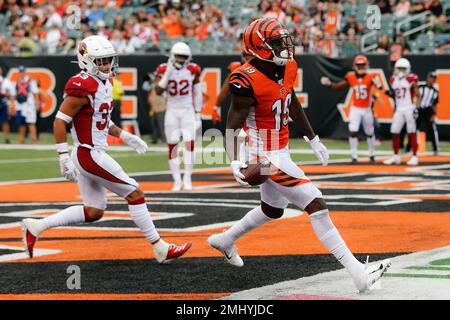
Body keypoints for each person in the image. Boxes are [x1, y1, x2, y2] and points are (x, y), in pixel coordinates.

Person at [207, 18, 391, 293]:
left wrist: (313, 138)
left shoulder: (288, 67)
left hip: (280, 149)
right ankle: (358, 273)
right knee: (316, 203)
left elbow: (292, 103)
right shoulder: (244, 79)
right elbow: (232, 124)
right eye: (277, 42)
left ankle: (225, 239)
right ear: (259, 47)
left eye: (285, 40)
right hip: (263, 153)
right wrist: (234, 158)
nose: (285, 46)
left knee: (272, 209)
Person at [20, 35, 192, 263]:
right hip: (88, 153)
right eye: (100, 61)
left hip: (92, 152)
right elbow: (60, 121)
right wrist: (62, 156)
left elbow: (101, 120)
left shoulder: (105, 83)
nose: (106, 65)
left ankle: (36, 226)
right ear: (86, 61)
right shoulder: (82, 85)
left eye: (108, 60)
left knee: (94, 211)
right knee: (135, 193)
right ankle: (160, 247)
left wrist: (125, 135)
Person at [154, 42, 203, 191]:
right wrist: (168, 73)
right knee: (172, 145)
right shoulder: (163, 69)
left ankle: (187, 178)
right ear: (172, 56)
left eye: (184, 56)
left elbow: (198, 92)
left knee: (190, 144)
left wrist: (198, 113)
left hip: (187, 110)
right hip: (172, 110)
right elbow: (157, 90)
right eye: (178, 56)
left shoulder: (193, 69)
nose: (181, 59)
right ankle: (176, 180)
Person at [321, 55, 382, 164]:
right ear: (355, 66)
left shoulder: (371, 76)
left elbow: (380, 87)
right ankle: (354, 156)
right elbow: (338, 87)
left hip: (367, 109)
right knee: (353, 131)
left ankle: (372, 155)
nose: (361, 67)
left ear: (366, 65)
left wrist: (378, 83)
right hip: (356, 108)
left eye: (362, 65)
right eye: (359, 65)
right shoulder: (350, 76)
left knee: (370, 132)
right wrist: (330, 84)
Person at [383, 58, 421, 165]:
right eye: (399, 68)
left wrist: (416, 108)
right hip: (399, 109)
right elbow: (396, 95)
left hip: (409, 108)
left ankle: (414, 156)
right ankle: (396, 156)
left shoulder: (411, 79)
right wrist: (388, 93)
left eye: (403, 69)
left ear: (408, 69)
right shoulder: (393, 79)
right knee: (394, 131)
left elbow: (418, 95)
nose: (401, 71)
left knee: (411, 132)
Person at [14, 65, 39, 144]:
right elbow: (15, 94)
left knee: (31, 122)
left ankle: (34, 140)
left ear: (25, 72)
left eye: (23, 71)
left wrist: (36, 103)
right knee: (21, 123)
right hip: (20, 105)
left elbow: (36, 94)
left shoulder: (31, 81)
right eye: (20, 72)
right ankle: (21, 139)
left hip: (29, 105)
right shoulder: (17, 81)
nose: (22, 73)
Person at [417, 71, 440, 154]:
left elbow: (435, 104)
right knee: (413, 128)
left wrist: (434, 114)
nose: (431, 80)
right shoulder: (420, 86)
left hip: (428, 110)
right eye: (431, 78)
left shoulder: (435, 91)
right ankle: (411, 147)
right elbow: (415, 95)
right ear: (427, 78)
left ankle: (436, 148)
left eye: (433, 79)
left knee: (432, 129)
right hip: (419, 109)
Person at [143, 72, 166, 144]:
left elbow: (165, 96)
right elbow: (145, 87)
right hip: (153, 108)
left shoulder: (162, 85)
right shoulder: (152, 85)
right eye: (156, 77)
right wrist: (150, 80)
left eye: (158, 77)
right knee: (153, 124)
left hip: (161, 108)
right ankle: (154, 139)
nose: (156, 78)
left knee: (161, 124)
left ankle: (164, 139)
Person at [0, 67, 15, 144]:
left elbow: (11, 94)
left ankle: (7, 138)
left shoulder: (6, 81)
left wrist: (12, 106)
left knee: (4, 122)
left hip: (3, 102)